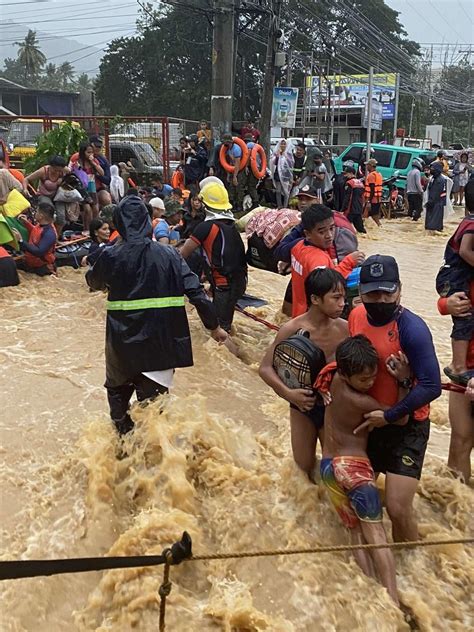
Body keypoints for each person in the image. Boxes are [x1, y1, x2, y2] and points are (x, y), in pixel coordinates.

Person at [86, 194, 228, 436]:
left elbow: (94, 281)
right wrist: (214, 327)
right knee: (154, 419)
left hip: (121, 351)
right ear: (146, 221)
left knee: (120, 419)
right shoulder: (170, 255)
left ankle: (122, 462)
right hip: (159, 350)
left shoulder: (110, 256)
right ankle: (155, 465)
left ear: (119, 224)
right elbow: (197, 293)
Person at [349, 255, 442, 542]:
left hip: (408, 424)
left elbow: (432, 386)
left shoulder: (412, 329)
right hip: (370, 421)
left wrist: (389, 414)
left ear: (399, 290)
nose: (379, 299)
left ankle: (411, 562)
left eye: (386, 292)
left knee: (398, 508)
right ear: (361, 292)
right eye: (372, 293)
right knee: (355, 497)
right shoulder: (355, 317)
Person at [317, 335, 408, 605]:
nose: (369, 383)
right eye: (364, 379)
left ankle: (370, 592)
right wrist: (402, 382)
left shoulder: (331, 378)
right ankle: (391, 600)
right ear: (346, 376)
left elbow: (329, 365)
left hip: (328, 469)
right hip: (353, 468)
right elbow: (400, 417)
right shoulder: (362, 401)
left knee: (356, 531)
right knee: (377, 534)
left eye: (372, 377)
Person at [259, 269, 348, 478]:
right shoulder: (292, 329)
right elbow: (265, 368)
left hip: (333, 406)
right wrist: (288, 394)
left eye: (344, 297)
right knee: (303, 465)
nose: (343, 303)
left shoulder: (346, 329)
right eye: (336, 298)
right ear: (315, 299)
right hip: (301, 404)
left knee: (335, 468)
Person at [179, 180, 247, 333]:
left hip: (223, 286)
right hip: (238, 283)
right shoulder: (231, 225)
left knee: (218, 333)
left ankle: (232, 356)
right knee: (225, 326)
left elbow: (182, 254)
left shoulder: (205, 227)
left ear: (204, 204)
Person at [290, 205, 364, 317]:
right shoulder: (318, 259)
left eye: (332, 228)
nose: (329, 235)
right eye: (321, 232)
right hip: (315, 319)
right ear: (308, 234)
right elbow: (328, 287)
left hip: (299, 314)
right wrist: (348, 262)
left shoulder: (298, 247)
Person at [436, 182, 474, 384]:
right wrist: (446, 305)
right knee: (464, 315)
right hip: (468, 371)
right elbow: (446, 305)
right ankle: (457, 365)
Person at [12, 204, 57, 276]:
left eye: (36, 211)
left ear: (41, 216)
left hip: (42, 267)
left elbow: (39, 252)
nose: (34, 213)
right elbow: (36, 232)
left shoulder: (49, 233)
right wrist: (26, 223)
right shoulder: (40, 225)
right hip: (31, 263)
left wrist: (21, 240)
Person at [69, 142, 104, 232]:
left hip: (91, 186)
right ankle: (87, 229)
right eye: (88, 152)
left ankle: (95, 228)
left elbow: (102, 173)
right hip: (81, 187)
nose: (90, 154)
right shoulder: (77, 161)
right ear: (83, 152)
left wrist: (93, 163)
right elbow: (69, 171)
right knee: (87, 209)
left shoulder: (94, 161)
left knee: (95, 208)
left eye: (91, 152)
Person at [424, 161, 451, 233]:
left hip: (436, 204)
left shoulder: (439, 180)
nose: (431, 170)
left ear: (437, 169)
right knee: (433, 225)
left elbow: (435, 193)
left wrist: (430, 202)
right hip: (435, 203)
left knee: (433, 227)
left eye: (433, 168)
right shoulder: (435, 178)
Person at [221, 133, 246, 213]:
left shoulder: (236, 149)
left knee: (238, 187)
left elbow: (237, 164)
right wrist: (229, 174)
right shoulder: (228, 149)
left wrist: (235, 176)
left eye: (226, 142)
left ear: (230, 142)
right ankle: (233, 204)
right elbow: (230, 163)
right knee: (231, 188)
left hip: (239, 170)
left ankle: (239, 206)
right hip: (233, 169)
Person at [341, 164, 366, 234]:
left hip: (350, 210)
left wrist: (343, 209)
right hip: (358, 210)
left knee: (344, 228)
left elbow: (347, 197)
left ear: (351, 173)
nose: (345, 176)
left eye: (346, 174)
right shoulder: (360, 183)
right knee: (361, 230)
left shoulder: (349, 183)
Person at [271, 139, 294, 209]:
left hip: (286, 175)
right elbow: (274, 162)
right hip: (278, 174)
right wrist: (278, 156)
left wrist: (285, 157)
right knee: (278, 191)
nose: (283, 145)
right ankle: (279, 205)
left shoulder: (289, 154)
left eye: (284, 144)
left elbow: (291, 163)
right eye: (281, 144)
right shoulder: (277, 153)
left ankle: (285, 206)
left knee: (286, 191)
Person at [90, 135, 112, 208]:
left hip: (98, 188)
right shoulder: (81, 157)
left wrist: (97, 174)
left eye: (100, 146)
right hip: (84, 188)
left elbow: (108, 180)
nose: (98, 148)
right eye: (96, 146)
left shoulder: (103, 161)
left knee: (106, 199)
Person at [363, 158, 382, 227]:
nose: (366, 166)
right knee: (373, 216)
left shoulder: (371, 175)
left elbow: (372, 189)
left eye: (367, 165)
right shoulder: (378, 174)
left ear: (371, 166)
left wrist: (369, 201)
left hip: (372, 199)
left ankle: (379, 227)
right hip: (377, 199)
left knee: (370, 216)